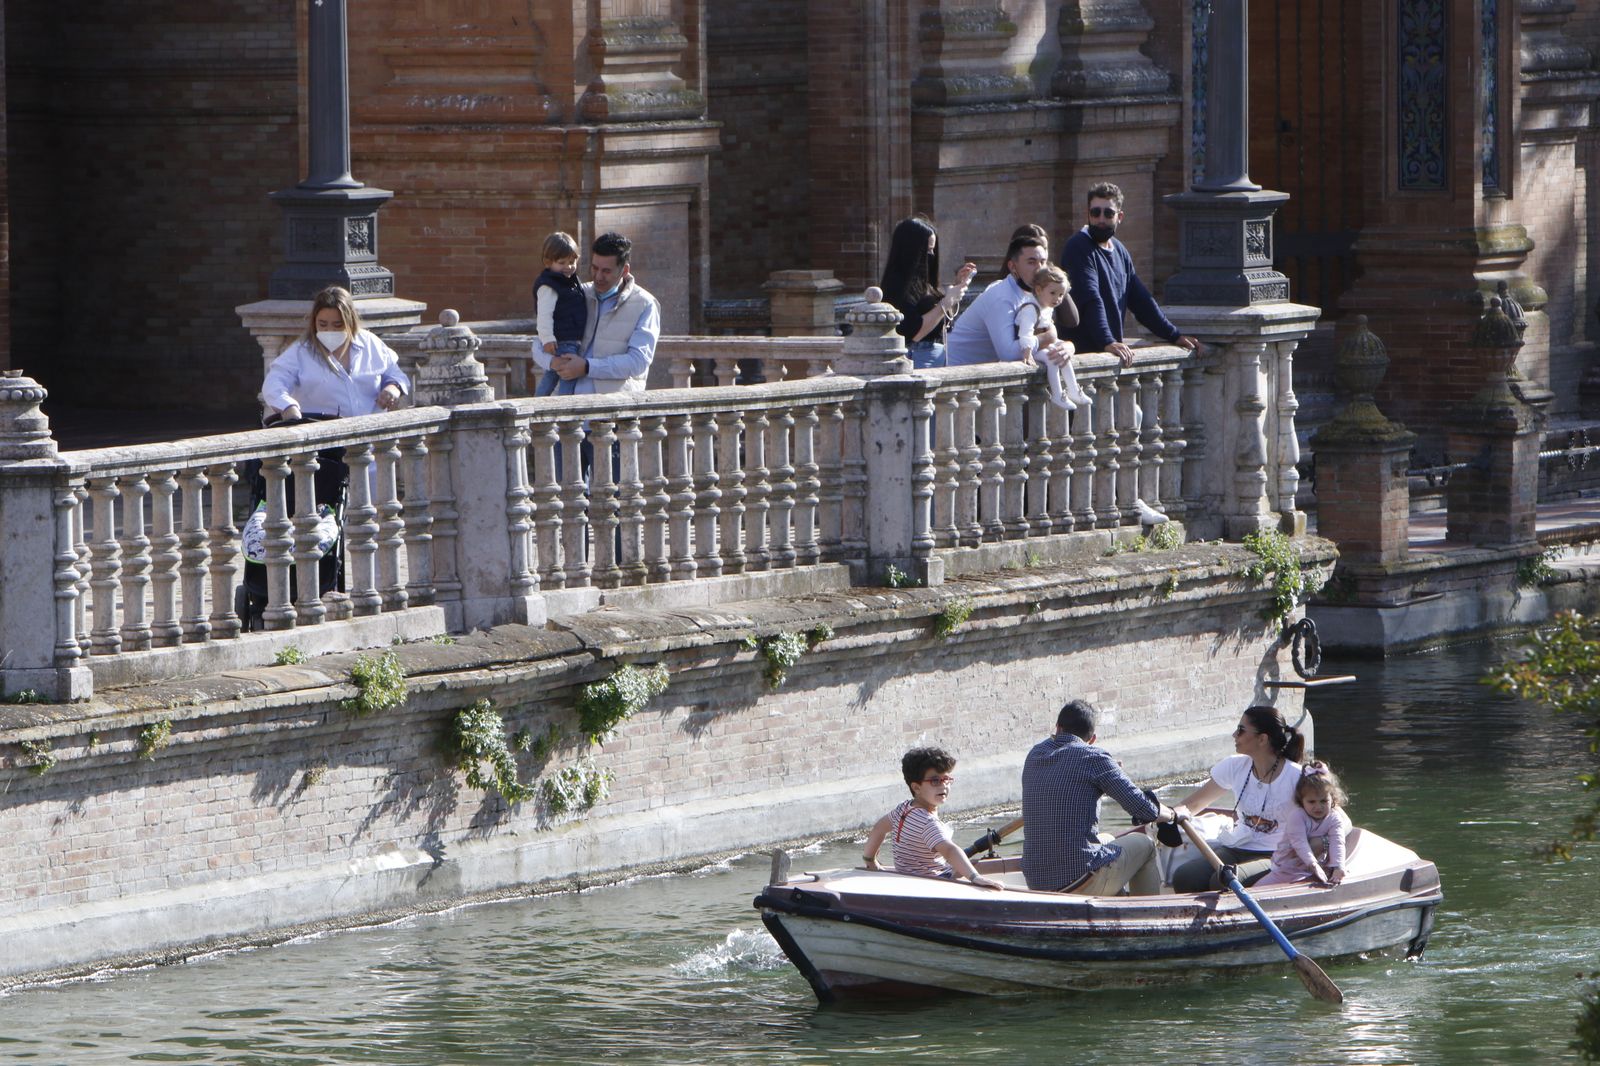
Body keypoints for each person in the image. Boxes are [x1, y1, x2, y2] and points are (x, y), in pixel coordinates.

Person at [1020, 699, 1182, 895]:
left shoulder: (1035, 754)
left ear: (1057, 727)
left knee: (1106, 838)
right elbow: (1144, 810)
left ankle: (1116, 904)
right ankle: (1146, 913)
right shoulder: (1094, 758)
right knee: (1145, 845)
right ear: (1093, 738)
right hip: (1079, 882)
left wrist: (1106, 775)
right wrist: (1172, 815)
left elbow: (1073, 768)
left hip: (1036, 883)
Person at [1058, 182, 1200, 368]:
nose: (1101, 219)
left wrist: (1174, 335)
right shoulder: (1078, 247)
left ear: (1120, 217)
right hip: (1082, 358)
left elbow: (1141, 300)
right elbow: (1090, 298)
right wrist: (1107, 340)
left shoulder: (1120, 251)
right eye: (1095, 212)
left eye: (1108, 213)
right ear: (1088, 214)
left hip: (1107, 356)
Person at [1168, 705, 1306, 893]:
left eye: (1241, 730)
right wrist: (1164, 816)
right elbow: (1194, 804)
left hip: (1275, 855)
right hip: (1238, 847)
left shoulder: (1297, 777)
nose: (1234, 735)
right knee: (1185, 877)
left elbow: (1337, 818)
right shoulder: (1235, 766)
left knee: (1222, 881)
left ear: (1262, 739)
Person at [862, 747, 1005, 889]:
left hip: (906, 877)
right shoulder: (928, 823)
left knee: (971, 864)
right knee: (978, 868)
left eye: (947, 779)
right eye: (935, 781)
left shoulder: (903, 808)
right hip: (935, 883)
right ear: (916, 788)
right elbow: (949, 850)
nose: (943, 785)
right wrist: (975, 877)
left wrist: (870, 860)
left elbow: (879, 829)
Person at [262, 285, 409, 422]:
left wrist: (392, 388)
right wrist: (288, 407)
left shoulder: (370, 343)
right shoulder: (301, 352)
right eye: (323, 324)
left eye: (338, 325)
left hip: (372, 434)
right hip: (324, 438)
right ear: (314, 323)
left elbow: (395, 374)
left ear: (350, 322)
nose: (329, 330)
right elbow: (273, 384)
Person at [548, 231, 660, 395]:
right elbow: (544, 340)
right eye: (594, 268)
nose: (598, 276)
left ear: (624, 270)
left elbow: (638, 362)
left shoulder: (645, 304)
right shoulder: (578, 294)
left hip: (614, 408)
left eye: (606, 271)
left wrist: (587, 367)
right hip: (567, 401)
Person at [947, 233, 1076, 366]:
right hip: (954, 374)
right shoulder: (1002, 297)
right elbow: (1008, 353)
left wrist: (1068, 347)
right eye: (1031, 262)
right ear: (1013, 267)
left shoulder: (1034, 295)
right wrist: (1049, 337)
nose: (1039, 268)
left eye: (1042, 262)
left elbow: (1041, 334)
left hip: (978, 375)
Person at [878, 217, 977, 370]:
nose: (931, 256)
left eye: (933, 250)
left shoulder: (924, 284)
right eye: (927, 250)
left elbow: (941, 322)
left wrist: (957, 287)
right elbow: (915, 333)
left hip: (936, 356)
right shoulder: (897, 287)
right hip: (918, 358)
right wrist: (946, 302)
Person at [1256, 761, 1352, 887]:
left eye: (1324, 801)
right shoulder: (1297, 816)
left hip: (1317, 864)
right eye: (1311, 802)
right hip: (1288, 865)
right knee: (1258, 887)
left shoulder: (1334, 818)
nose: (1318, 807)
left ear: (1332, 799)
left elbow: (1337, 841)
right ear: (1301, 801)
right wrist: (1313, 865)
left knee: (1331, 872)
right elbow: (1299, 843)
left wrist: (1338, 866)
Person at [1023, 265, 1091, 411]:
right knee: (1052, 358)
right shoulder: (1030, 308)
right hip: (1029, 350)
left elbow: (1052, 335)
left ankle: (1073, 390)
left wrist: (1066, 345)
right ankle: (1057, 394)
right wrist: (1027, 354)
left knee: (1060, 354)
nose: (1057, 299)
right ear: (1039, 290)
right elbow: (1025, 334)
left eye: (1061, 294)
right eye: (1053, 293)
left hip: (1040, 346)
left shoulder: (1047, 308)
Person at [532, 231, 588, 397]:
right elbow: (544, 315)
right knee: (568, 377)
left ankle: (538, 403)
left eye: (572, 261)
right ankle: (564, 408)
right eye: (562, 262)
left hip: (569, 338)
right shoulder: (549, 285)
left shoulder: (570, 281)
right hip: (562, 340)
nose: (568, 266)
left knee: (551, 376)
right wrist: (547, 338)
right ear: (548, 263)